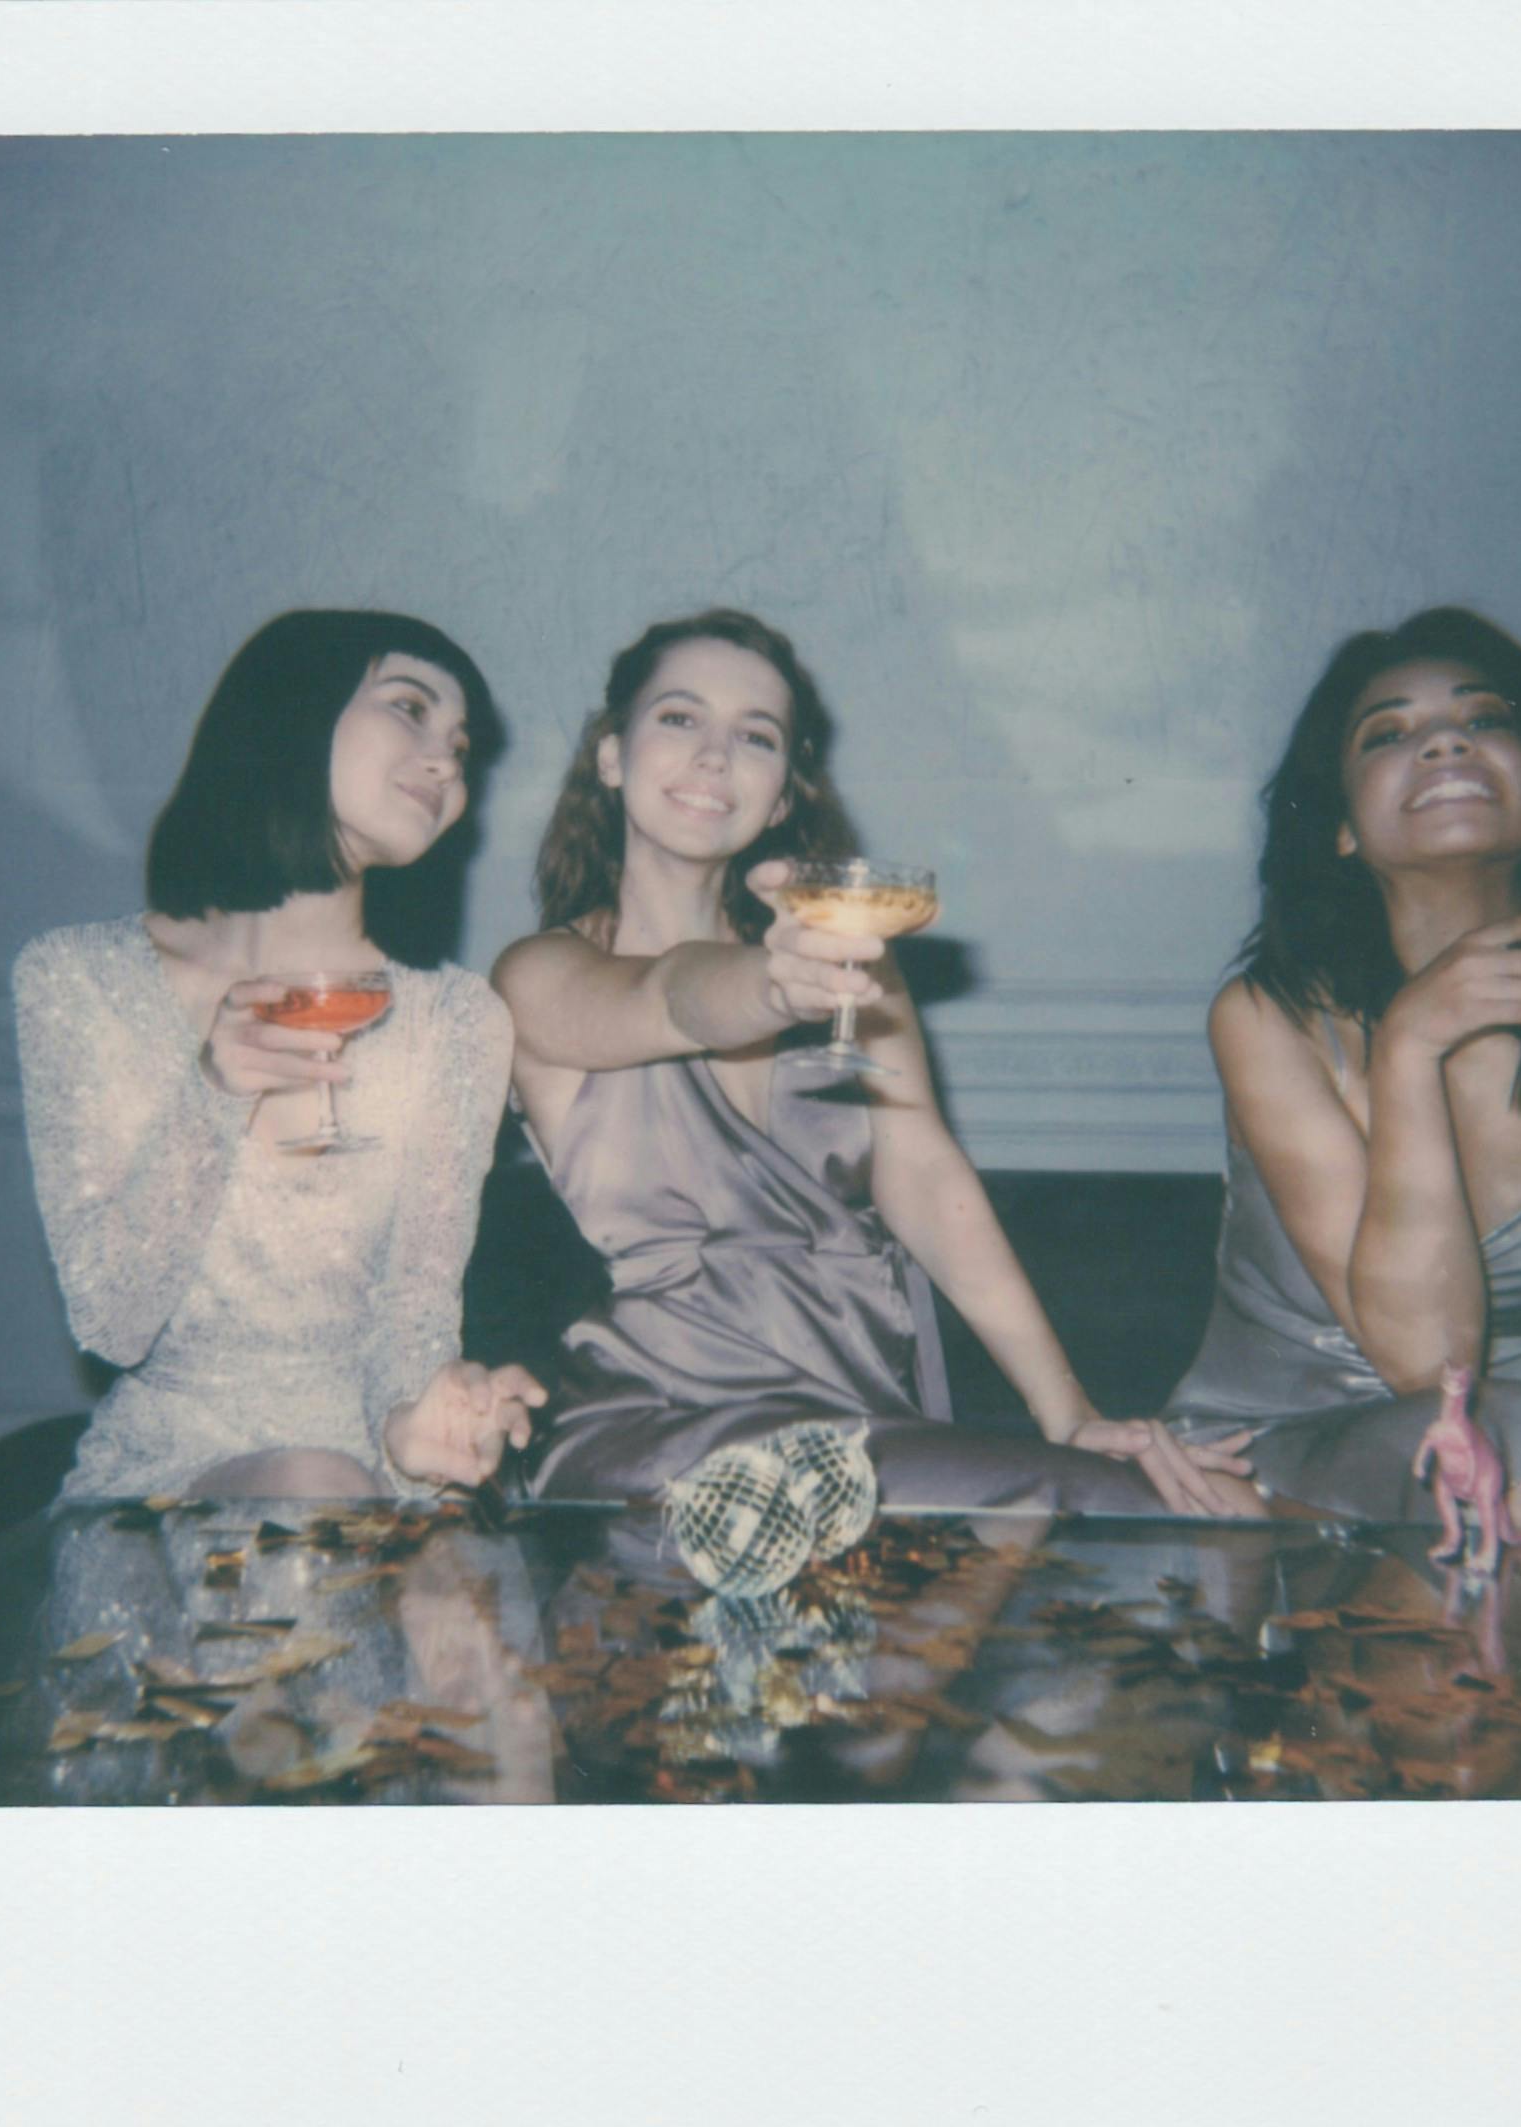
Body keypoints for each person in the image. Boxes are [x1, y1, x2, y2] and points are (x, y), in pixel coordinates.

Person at [492, 607, 1251, 1515]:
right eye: (680, 718)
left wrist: (1069, 1412)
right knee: (1119, 1511)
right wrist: (772, 990)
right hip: (663, 1434)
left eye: (756, 736)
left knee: (1211, 1511)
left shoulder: (850, 955)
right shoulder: (539, 974)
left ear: (780, 796)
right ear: (612, 756)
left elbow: (926, 1175)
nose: (714, 755)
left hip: (864, 1412)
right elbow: (666, 996)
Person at [14, 608, 544, 1501]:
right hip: (168, 1487)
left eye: (460, 744)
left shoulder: (459, 1021)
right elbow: (112, 1322)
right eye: (409, 708)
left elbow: (415, 1314)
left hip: (372, 1474)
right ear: (294, 708)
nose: (447, 761)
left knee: (342, 1497)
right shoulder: (78, 979)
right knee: (310, 1484)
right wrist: (214, 1091)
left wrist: (418, 1421)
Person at [1164, 607, 1521, 1534]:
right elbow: (1428, 1368)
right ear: (1343, 827)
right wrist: (1408, 1047)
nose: (1444, 741)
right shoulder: (1269, 1017)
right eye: (1389, 733)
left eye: (1487, 719)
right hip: (1271, 1455)